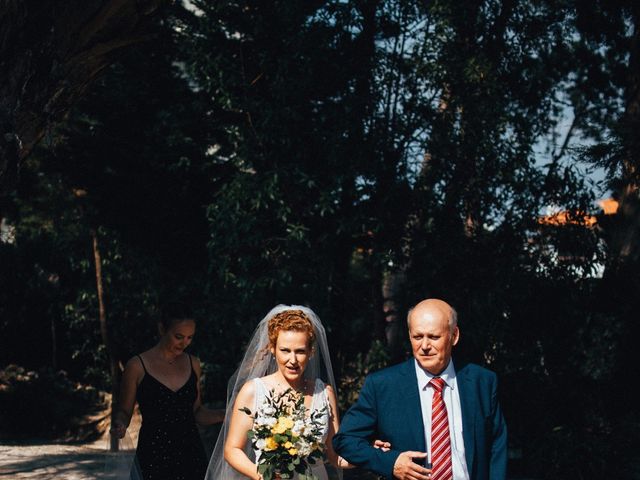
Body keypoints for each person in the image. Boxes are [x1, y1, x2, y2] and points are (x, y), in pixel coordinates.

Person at [333, 298, 507, 480]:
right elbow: (345, 440)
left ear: (454, 336)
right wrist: (390, 462)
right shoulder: (383, 385)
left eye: (433, 337)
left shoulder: (482, 382)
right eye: (417, 337)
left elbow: (497, 447)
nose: (424, 346)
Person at [206, 304, 373, 480]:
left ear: (311, 352)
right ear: (272, 348)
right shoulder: (253, 391)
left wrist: (369, 454)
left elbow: (335, 456)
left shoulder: (324, 392)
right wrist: (264, 476)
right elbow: (232, 450)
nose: (292, 360)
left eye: (300, 351)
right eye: (285, 350)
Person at [111, 301, 225, 480]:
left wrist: (226, 414)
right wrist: (120, 423)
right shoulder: (136, 366)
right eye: (179, 336)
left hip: (191, 454)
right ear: (162, 329)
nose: (184, 343)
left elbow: (196, 412)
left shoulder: (193, 363)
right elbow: (124, 411)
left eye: (190, 337)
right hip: (154, 455)